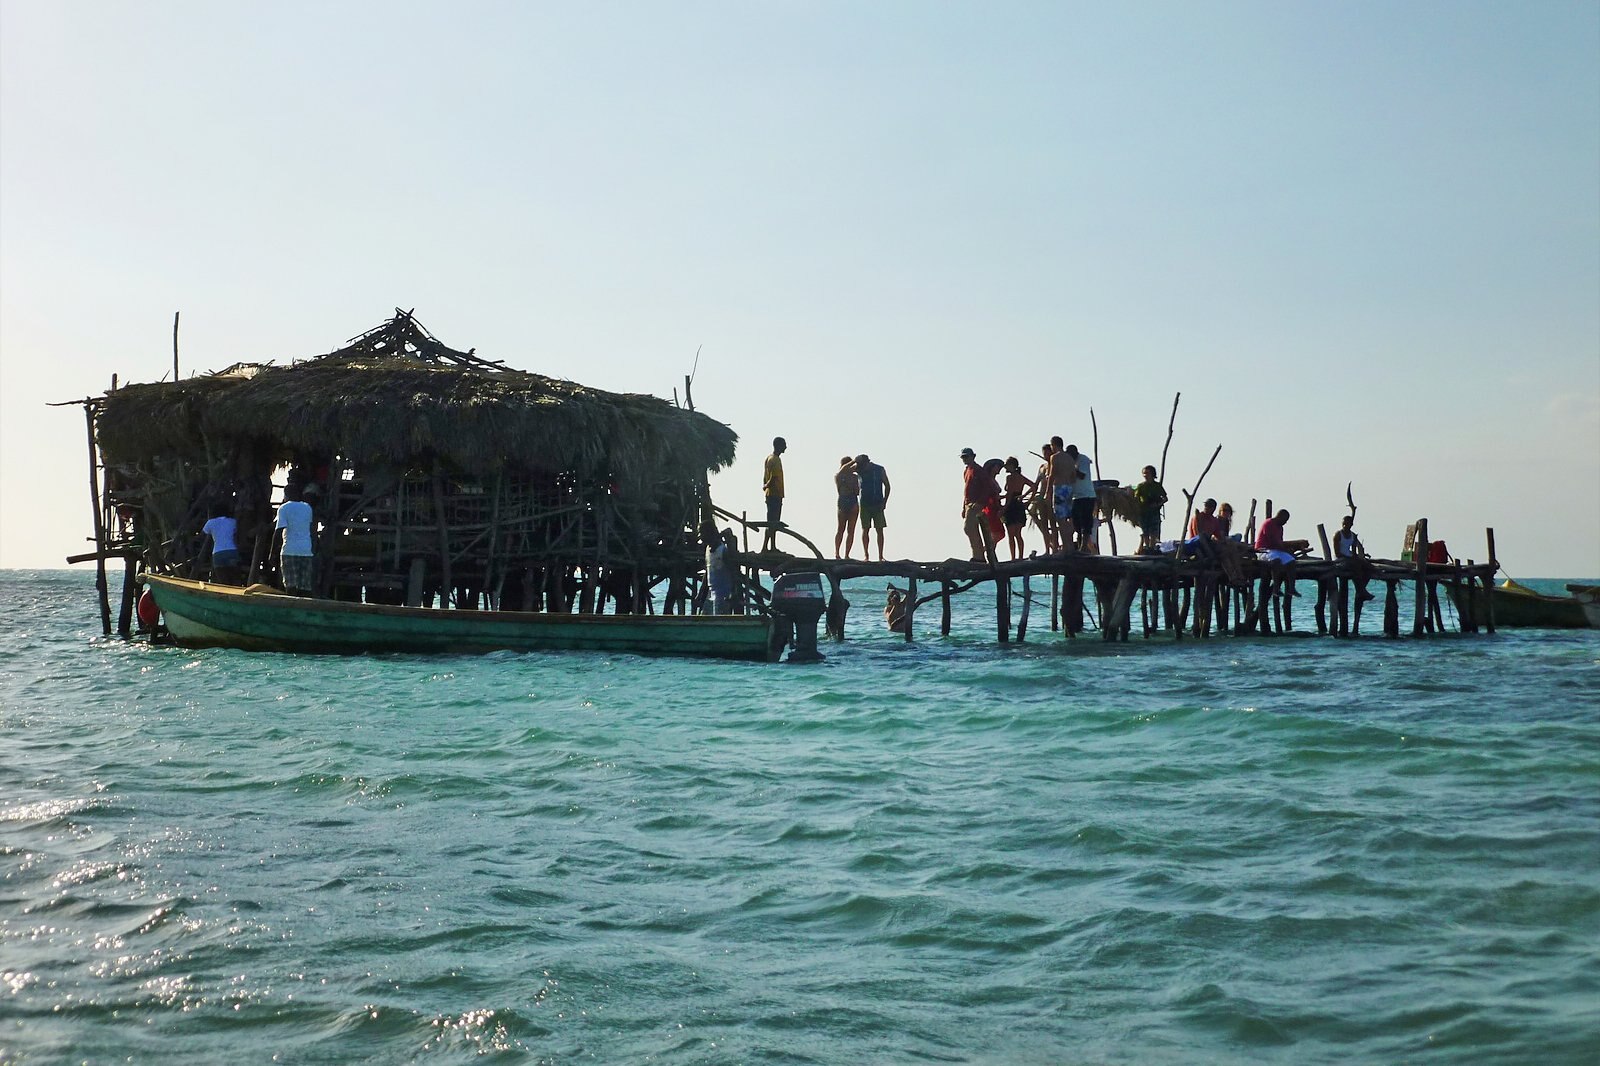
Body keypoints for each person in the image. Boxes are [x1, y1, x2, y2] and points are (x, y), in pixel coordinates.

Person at [274, 486, 317, 596]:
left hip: (289, 550)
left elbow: (278, 531)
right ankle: (305, 608)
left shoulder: (284, 508)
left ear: (286, 495)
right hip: (306, 550)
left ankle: (291, 608)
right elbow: (312, 530)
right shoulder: (307, 508)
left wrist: (272, 552)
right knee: (305, 586)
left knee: (291, 584)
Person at [960, 447, 996, 561]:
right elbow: (966, 490)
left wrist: (980, 502)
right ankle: (978, 555)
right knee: (971, 529)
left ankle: (979, 557)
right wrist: (963, 507)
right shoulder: (967, 470)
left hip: (976, 504)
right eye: (963, 457)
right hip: (968, 504)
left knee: (969, 528)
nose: (965, 459)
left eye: (967, 456)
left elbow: (988, 488)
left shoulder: (978, 470)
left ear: (973, 456)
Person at [855, 453, 891, 561]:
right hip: (864, 503)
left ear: (868, 463)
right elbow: (844, 470)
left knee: (879, 530)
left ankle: (881, 556)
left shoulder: (879, 470)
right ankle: (866, 556)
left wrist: (885, 501)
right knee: (865, 529)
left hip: (877, 503)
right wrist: (855, 461)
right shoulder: (859, 469)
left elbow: (887, 485)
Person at [1334, 514, 1376, 601]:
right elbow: (1337, 553)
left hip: (1349, 558)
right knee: (1355, 566)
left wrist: (1358, 558)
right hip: (1340, 560)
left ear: (1351, 525)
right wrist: (1351, 558)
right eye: (1343, 524)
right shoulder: (1338, 535)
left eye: (1347, 524)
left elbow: (1353, 552)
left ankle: (1361, 589)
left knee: (1367, 567)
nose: (1345, 526)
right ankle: (1361, 590)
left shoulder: (1353, 536)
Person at [1061, 444, 1095, 551]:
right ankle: (1080, 545)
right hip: (1076, 497)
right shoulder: (1072, 462)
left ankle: (1083, 547)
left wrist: (1070, 467)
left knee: (1086, 523)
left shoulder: (1083, 460)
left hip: (1087, 496)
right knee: (1077, 523)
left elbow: (1082, 475)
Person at [202, 499, 242, 585]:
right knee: (235, 579)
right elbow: (236, 535)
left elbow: (203, 533)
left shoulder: (210, 522)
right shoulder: (233, 521)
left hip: (218, 554)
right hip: (232, 551)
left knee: (223, 582)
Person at [1002, 457, 1034, 561]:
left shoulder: (1010, 478)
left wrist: (1004, 508)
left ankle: (1013, 557)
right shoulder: (1021, 477)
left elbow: (1010, 493)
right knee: (1018, 534)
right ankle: (1019, 556)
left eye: (1007, 465)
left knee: (1011, 535)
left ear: (1012, 466)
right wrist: (1028, 500)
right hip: (1019, 505)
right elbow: (1034, 486)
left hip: (1012, 505)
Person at [1131, 465, 1167, 554]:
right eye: (1144, 473)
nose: (1145, 475)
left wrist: (1157, 504)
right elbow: (1135, 498)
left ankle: (1152, 548)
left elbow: (1165, 498)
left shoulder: (1157, 486)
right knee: (1145, 531)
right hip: (1144, 512)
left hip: (1154, 511)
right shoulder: (1141, 486)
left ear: (1152, 474)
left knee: (1154, 532)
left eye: (1147, 473)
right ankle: (1147, 548)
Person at [1030, 443, 1058, 554]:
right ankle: (1047, 549)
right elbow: (1036, 484)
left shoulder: (1054, 465)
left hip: (1051, 497)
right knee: (1044, 525)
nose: (1046, 455)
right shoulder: (1042, 467)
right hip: (1041, 498)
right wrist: (1029, 498)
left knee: (1053, 524)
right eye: (1044, 453)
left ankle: (1055, 548)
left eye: (1048, 453)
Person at [762, 436, 786, 553]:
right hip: (774, 494)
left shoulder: (769, 458)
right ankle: (770, 547)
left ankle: (768, 547)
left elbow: (765, 476)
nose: (785, 447)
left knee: (771, 522)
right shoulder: (775, 459)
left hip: (771, 494)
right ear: (779, 446)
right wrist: (767, 485)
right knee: (773, 522)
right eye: (784, 445)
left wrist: (765, 485)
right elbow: (773, 477)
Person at [705, 525, 735, 613]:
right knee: (704, 619)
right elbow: (708, 571)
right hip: (711, 593)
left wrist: (733, 592)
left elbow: (733, 572)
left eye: (702, 534)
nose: (701, 537)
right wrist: (701, 594)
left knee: (720, 619)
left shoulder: (723, 550)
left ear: (710, 534)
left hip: (723, 593)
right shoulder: (708, 549)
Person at [834, 456, 860, 559]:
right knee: (841, 529)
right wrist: (855, 460)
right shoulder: (839, 475)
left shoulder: (854, 477)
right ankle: (837, 553)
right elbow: (843, 469)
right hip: (844, 501)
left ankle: (846, 555)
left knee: (851, 530)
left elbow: (857, 491)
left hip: (852, 501)